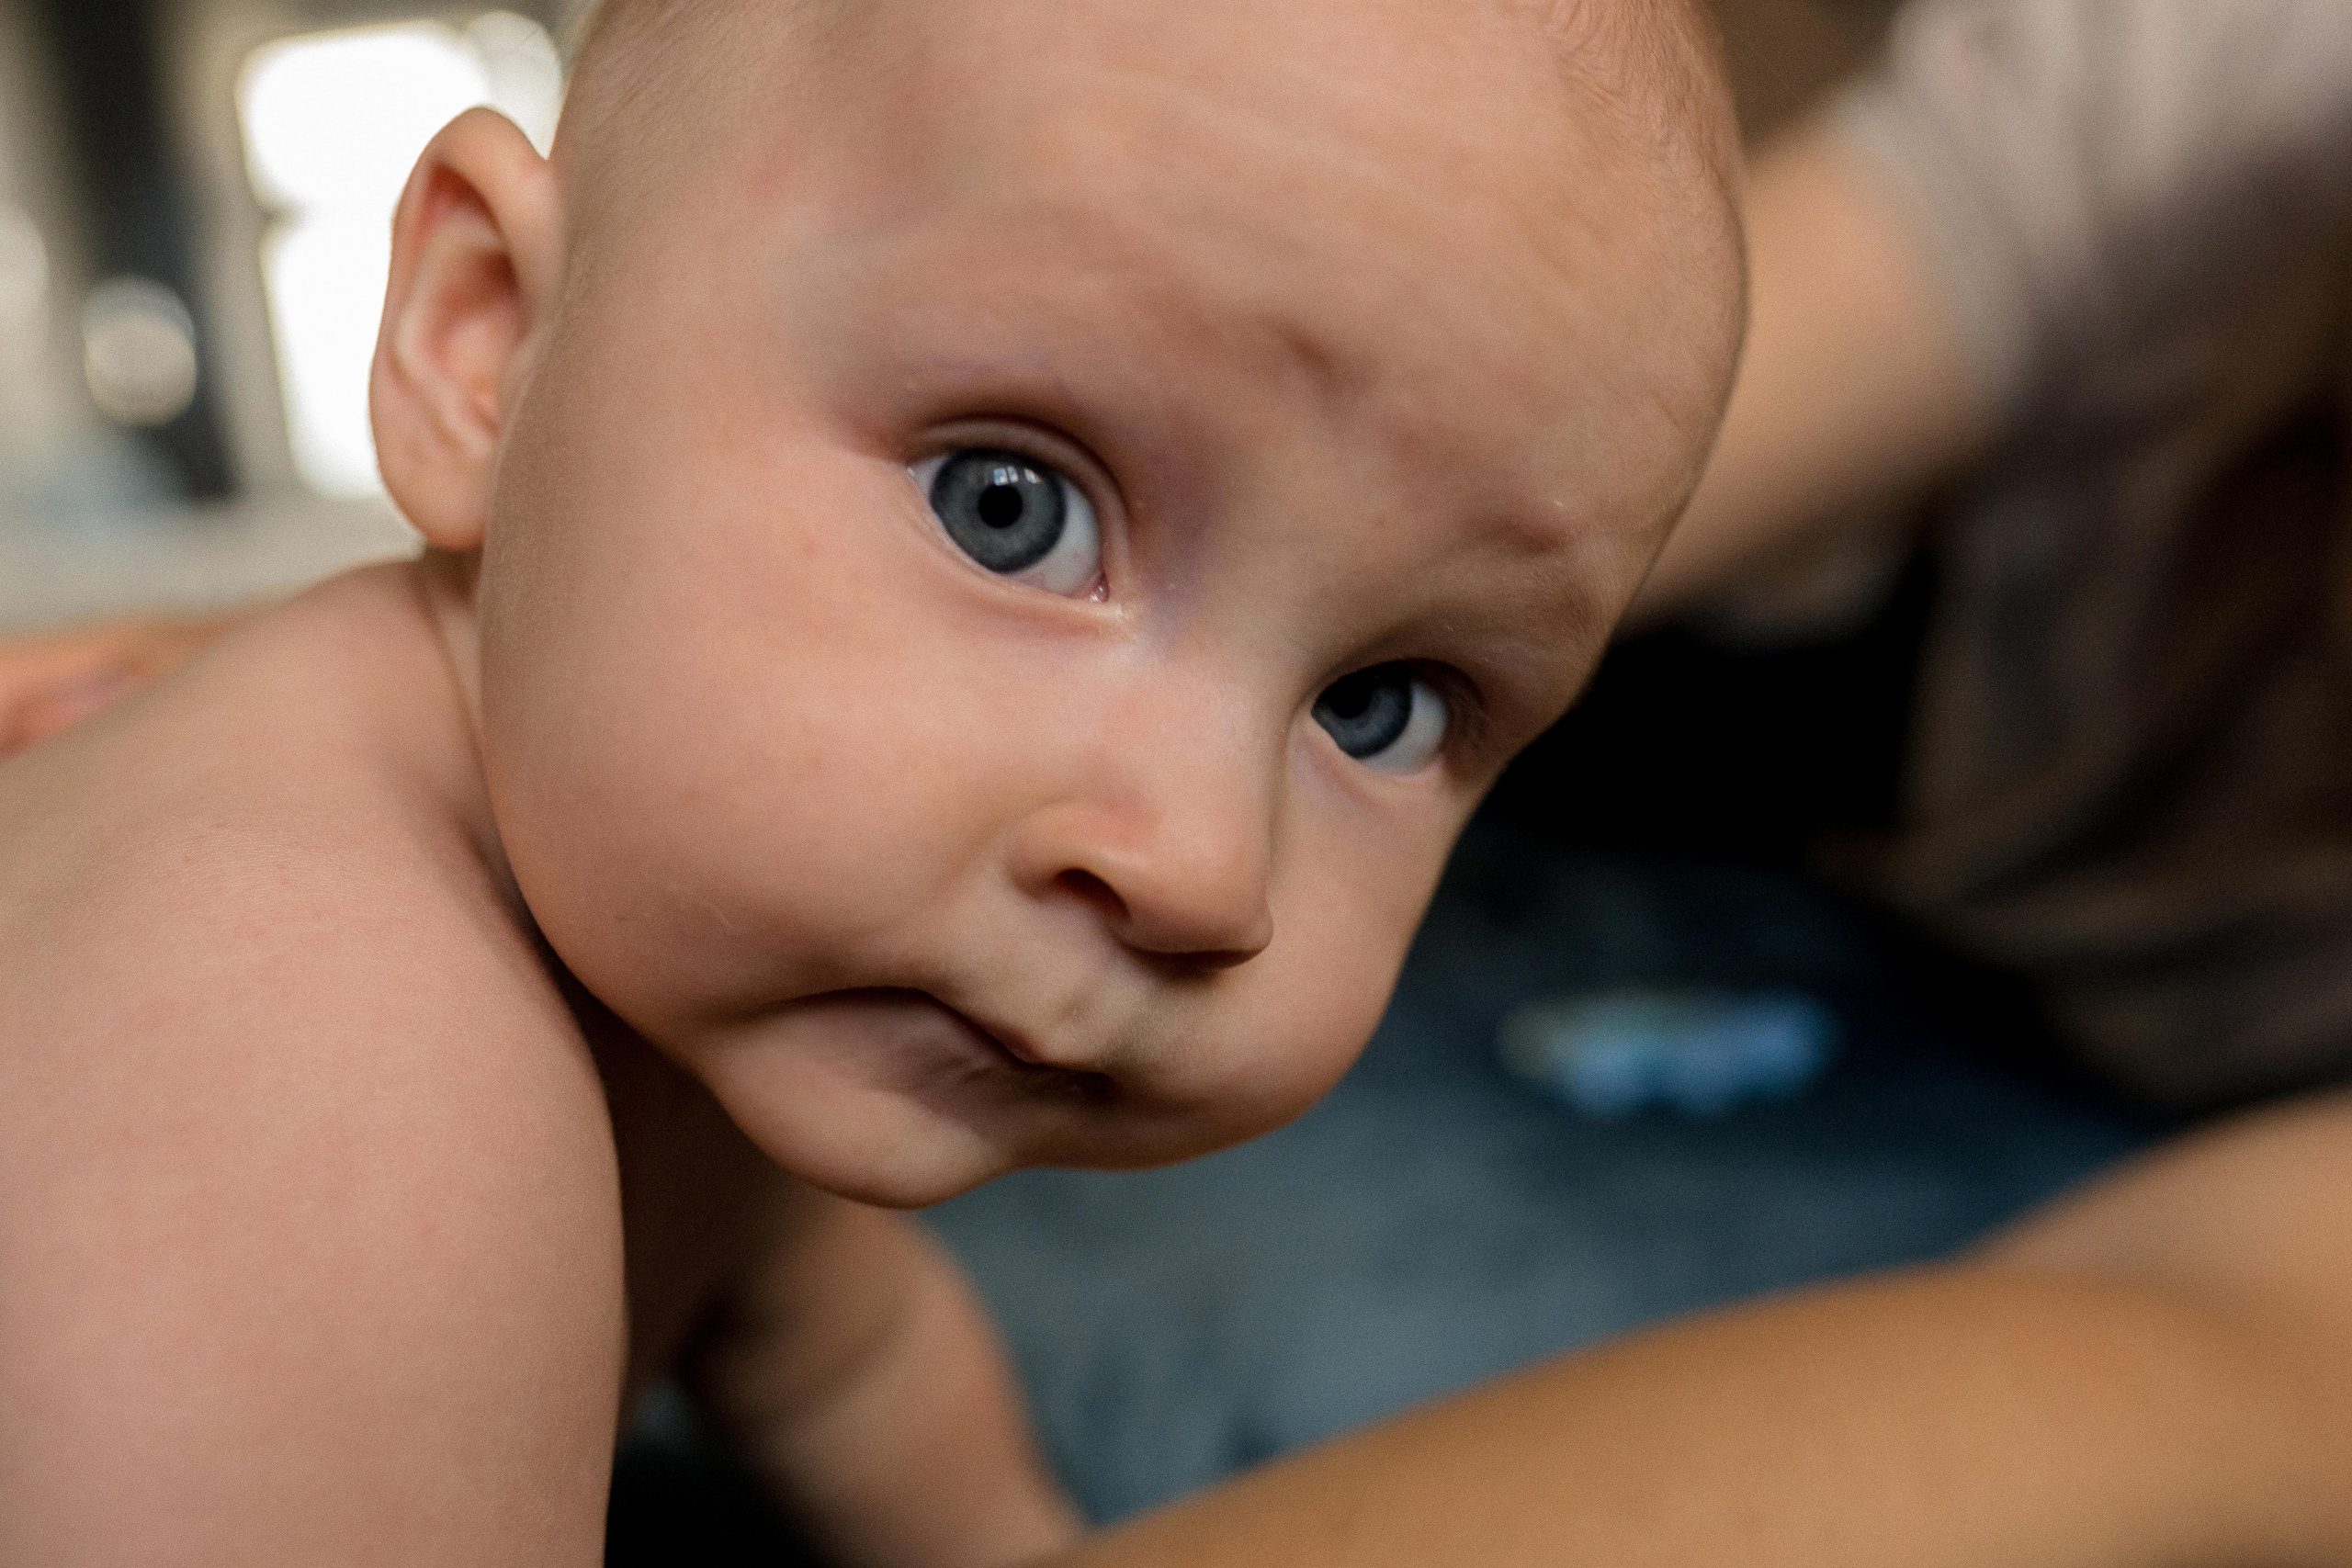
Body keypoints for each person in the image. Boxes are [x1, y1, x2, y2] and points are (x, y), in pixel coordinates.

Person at [0, 0, 1745, 1563]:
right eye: (1013, 505)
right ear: (490, 344)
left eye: (1381, 704)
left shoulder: (693, 935)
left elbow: (839, 1353)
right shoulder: (320, 1072)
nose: (1210, 869)